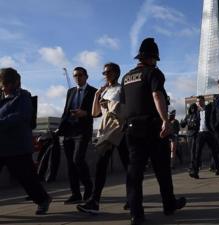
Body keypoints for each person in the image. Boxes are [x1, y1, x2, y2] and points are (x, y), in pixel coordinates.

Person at [121, 37, 186, 225]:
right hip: (152, 128)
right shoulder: (153, 73)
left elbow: (124, 105)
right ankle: (169, 205)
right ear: (151, 58)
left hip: (132, 129)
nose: (156, 62)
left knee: (134, 174)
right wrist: (166, 121)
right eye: (155, 59)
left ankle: (136, 214)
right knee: (162, 170)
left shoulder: (126, 77)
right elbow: (157, 95)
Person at [77, 62, 129, 214]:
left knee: (129, 167)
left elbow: (125, 110)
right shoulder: (106, 90)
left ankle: (131, 198)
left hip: (119, 130)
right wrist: (97, 95)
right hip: (107, 131)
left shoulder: (121, 89)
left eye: (108, 72)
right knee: (101, 166)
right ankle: (94, 201)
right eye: (104, 72)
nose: (105, 74)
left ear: (116, 73)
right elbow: (95, 113)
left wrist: (109, 104)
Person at [0, 67, 52, 215]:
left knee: (26, 178)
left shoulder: (23, 96)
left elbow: (21, 116)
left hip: (17, 146)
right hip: (1, 144)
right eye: (3, 84)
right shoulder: (1, 96)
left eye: (8, 84)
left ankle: (43, 200)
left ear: (15, 82)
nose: (5, 87)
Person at [57, 66, 97, 204]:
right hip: (69, 130)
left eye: (80, 75)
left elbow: (98, 112)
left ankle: (88, 186)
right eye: (75, 76)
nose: (77, 78)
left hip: (83, 130)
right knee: (70, 164)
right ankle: (75, 194)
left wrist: (85, 113)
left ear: (86, 76)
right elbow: (65, 111)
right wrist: (59, 129)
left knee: (77, 159)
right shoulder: (70, 91)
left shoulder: (94, 92)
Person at [194, 95, 219, 177]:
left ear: (203, 101)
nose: (198, 103)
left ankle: (217, 168)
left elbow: (215, 107)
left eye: (200, 101)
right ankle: (196, 171)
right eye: (197, 101)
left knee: (213, 152)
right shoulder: (197, 111)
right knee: (197, 152)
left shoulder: (209, 108)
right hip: (201, 133)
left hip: (209, 133)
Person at [180, 103, 200, 178]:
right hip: (189, 135)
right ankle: (193, 169)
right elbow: (183, 124)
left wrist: (192, 125)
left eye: (194, 108)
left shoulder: (197, 115)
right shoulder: (188, 116)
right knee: (191, 152)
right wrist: (182, 123)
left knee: (193, 152)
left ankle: (193, 169)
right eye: (191, 108)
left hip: (196, 135)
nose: (192, 109)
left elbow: (197, 124)